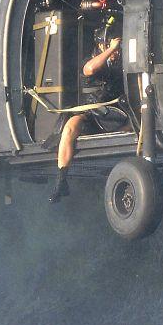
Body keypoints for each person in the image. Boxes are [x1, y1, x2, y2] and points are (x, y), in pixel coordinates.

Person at [50, 14, 127, 202]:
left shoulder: (121, 63)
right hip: (92, 111)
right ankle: (61, 179)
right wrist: (111, 49)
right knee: (70, 128)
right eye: (109, 46)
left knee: (131, 128)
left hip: (115, 113)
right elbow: (90, 69)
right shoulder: (92, 60)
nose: (116, 52)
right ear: (102, 45)